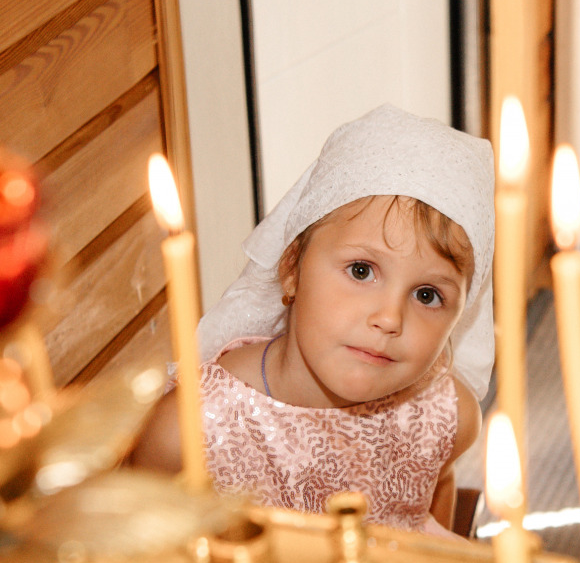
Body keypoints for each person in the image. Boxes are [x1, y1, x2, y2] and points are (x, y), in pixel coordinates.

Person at [133, 105, 495, 537]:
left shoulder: (445, 417)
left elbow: (432, 507)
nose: (389, 318)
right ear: (291, 268)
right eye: (361, 270)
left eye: (427, 295)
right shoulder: (188, 432)